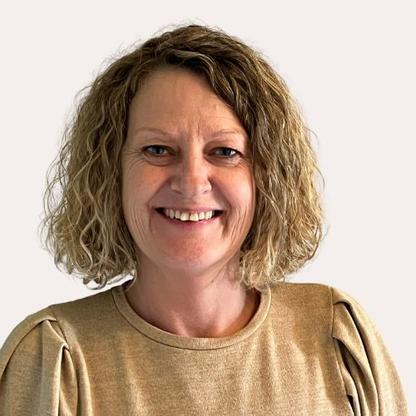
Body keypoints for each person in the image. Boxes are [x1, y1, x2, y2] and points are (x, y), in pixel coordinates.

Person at [0, 23, 408, 415]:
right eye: (157, 150)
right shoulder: (57, 358)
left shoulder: (337, 337)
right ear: (110, 173)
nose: (192, 182)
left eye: (225, 152)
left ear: (268, 176)